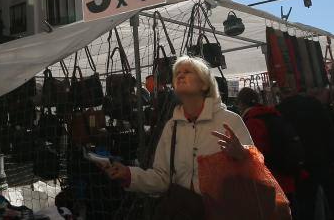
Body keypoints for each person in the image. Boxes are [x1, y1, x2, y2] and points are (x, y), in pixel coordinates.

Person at [100, 56, 253, 197]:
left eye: (187, 72)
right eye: (177, 73)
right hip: (184, 211)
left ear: (205, 84)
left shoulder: (230, 121)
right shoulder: (172, 126)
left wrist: (243, 157)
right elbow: (162, 179)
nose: (180, 76)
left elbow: (256, 176)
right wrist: (129, 174)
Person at [277, 89, 334, 220]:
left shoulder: (280, 111)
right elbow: (329, 133)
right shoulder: (314, 104)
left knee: (307, 207)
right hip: (322, 161)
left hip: (301, 167)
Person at [235, 87, 299, 201]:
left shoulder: (252, 122)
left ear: (241, 103)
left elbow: (255, 156)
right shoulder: (273, 114)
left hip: (272, 181)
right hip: (288, 175)